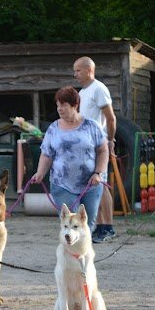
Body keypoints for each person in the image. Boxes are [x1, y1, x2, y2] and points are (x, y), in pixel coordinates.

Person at [30, 86, 108, 228]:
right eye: (58, 105)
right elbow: (46, 154)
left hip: (91, 184)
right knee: (71, 223)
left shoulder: (91, 126)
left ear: (75, 105)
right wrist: (40, 173)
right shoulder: (53, 129)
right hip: (62, 184)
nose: (59, 109)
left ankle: (85, 244)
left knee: (88, 224)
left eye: (63, 105)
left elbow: (103, 151)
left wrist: (98, 173)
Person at [74, 56, 118, 243]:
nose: (75, 74)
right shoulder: (82, 92)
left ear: (89, 70)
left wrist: (110, 140)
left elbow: (111, 118)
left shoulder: (99, 89)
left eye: (78, 70)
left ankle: (107, 227)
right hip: (85, 146)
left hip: (98, 145)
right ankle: (98, 226)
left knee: (101, 185)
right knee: (92, 186)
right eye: (74, 71)